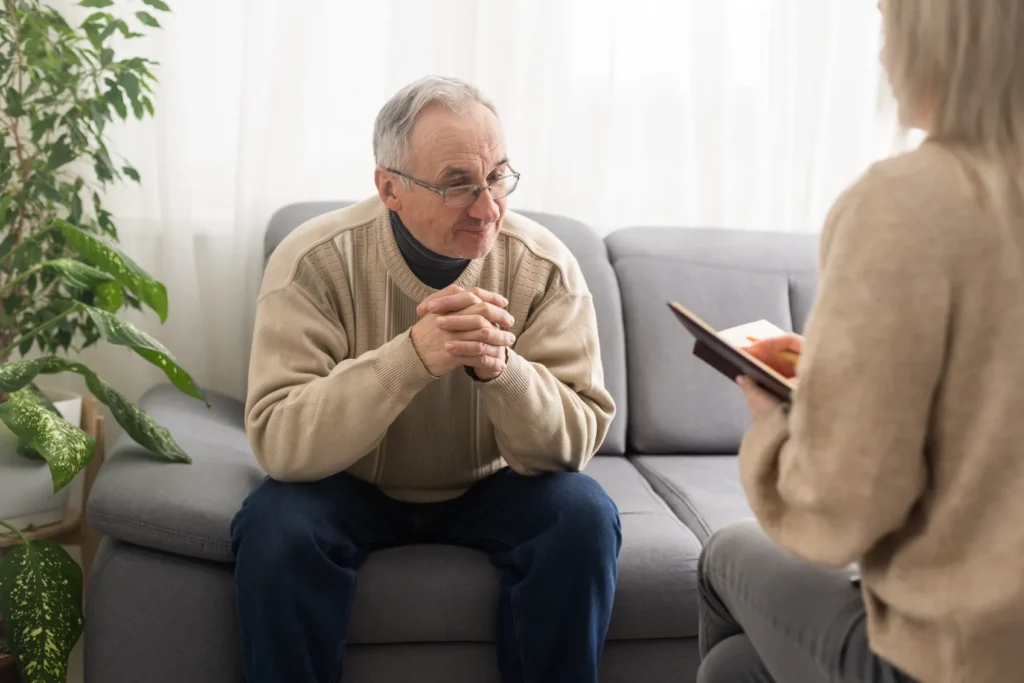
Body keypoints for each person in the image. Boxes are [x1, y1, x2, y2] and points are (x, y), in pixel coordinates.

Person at [229, 75, 620, 683]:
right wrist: (411, 358)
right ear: (389, 188)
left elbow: (575, 441)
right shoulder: (313, 261)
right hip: (347, 483)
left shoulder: (543, 267)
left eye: (497, 177)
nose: (488, 207)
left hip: (493, 486)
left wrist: (503, 370)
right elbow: (278, 440)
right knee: (274, 525)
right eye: (459, 185)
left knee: (583, 514)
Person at [697, 1, 1024, 682]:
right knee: (736, 668)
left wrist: (783, 420)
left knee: (724, 555)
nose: (881, 57)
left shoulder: (906, 202)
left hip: (959, 657)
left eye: (887, 28)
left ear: (937, 37)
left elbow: (841, 508)